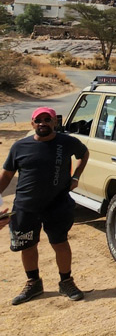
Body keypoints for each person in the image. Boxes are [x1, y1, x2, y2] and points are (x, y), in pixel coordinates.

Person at [0, 106, 89, 305]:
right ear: (32, 123)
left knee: (60, 243)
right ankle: (33, 283)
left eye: (47, 119)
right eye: (38, 120)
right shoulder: (19, 147)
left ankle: (66, 281)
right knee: (27, 245)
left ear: (54, 122)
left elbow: (84, 154)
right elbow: (7, 175)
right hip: (25, 206)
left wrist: (76, 176)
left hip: (57, 204)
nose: (43, 123)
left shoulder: (66, 142)